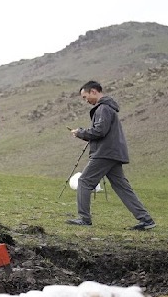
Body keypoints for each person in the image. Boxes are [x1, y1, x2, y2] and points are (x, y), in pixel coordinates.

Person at [67, 81, 156, 230]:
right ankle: (146, 220)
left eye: (85, 97)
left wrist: (80, 133)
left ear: (93, 92)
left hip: (105, 153)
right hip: (113, 153)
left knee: (84, 181)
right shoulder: (108, 108)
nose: (85, 100)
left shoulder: (103, 109)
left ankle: (84, 218)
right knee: (122, 187)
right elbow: (102, 130)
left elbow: (99, 131)